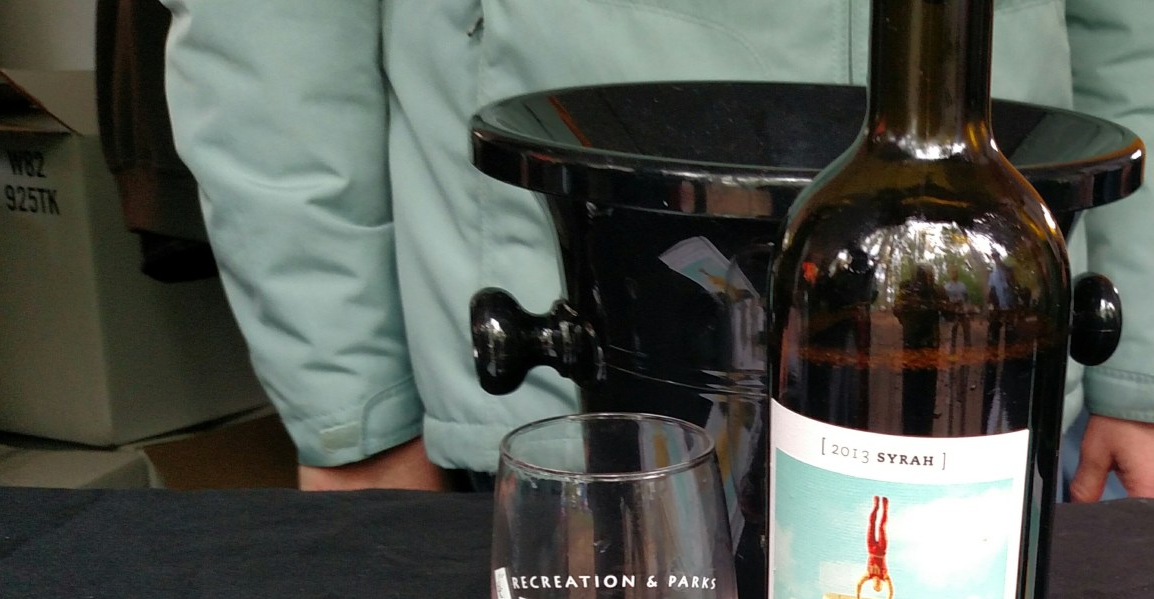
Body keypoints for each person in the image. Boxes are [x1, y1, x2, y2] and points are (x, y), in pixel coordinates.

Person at [154, 0, 1154, 499]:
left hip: (995, 381)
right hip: (556, 406)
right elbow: (271, 36)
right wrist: (352, 405)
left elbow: (1128, 24)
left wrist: (1141, 362)